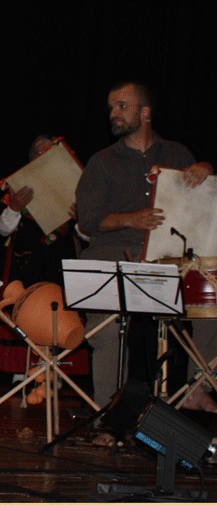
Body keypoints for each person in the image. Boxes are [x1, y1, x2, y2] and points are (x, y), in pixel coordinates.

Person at [75, 81, 214, 428]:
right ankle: (110, 415)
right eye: (111, 107)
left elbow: (199, 202)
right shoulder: (101, 162)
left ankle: (198, 387)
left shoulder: (177, 154)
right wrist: (130, 219)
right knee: (106, 329)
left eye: (122, 106)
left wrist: (206, 169)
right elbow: (88, 220)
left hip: (169, 257)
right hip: (114, 253)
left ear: (146, 112)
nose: (114, 113)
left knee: (212, 299)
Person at [0, 135, 89, 380]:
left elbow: (88, 235)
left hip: (61, 261)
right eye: (40, 151)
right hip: (27, 262)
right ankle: (22, 370)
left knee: (60, 310)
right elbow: (2, 230)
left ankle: (57, 373)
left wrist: (82, 218)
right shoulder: (19, 187)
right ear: (31, 159)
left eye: (51, 151)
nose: (45, 154)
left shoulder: (76, 188)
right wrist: (14, 207)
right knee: (26, 308)